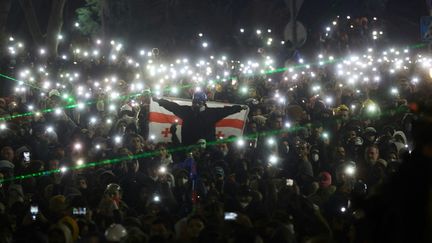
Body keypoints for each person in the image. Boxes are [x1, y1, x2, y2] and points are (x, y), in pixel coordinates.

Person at [152, 91, 248, 145]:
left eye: (199, 103)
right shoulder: (186, 111)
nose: (196, 105)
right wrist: (159, 101)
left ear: (204, 103)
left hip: (207, 147)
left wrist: (239, 108)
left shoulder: (212, 113)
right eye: (194, 102)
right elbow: (172, 106)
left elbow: (226, 111)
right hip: (188, 146)